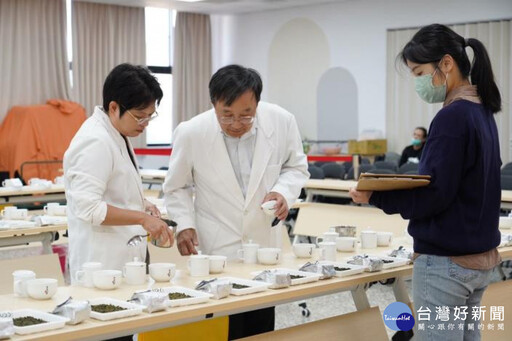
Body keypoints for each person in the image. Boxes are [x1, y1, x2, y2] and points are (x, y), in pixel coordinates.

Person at [350, 24, 502, 341]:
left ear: (446, 64)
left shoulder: (452, 117)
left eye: (419, 73)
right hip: (478, 260)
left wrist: (375, 196)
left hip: (447, 263)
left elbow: (434, 195)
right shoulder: (482, 111)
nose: (419, 83)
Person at [163, 64, 309, 339]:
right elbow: (176, 187)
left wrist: (282, 192)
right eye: (226, 116)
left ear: (257, 103)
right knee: (221, 326)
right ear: (213, 104)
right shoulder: (191, 132)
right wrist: (184, 224)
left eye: (246, 115)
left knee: (260, 326)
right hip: (216, 246)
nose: (236, 124)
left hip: (263, 245)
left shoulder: (282, 121)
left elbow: (297, 168)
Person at [64, 63, 174, 283]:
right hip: (101, 265)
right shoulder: (95, 140)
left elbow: (115, 186)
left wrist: (142, 204)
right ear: (114, 107)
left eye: (150, 116)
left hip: (122, 260)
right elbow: (89, 209)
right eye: (139, 117)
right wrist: (142, 218)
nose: (145, 124)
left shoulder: (117, 132)